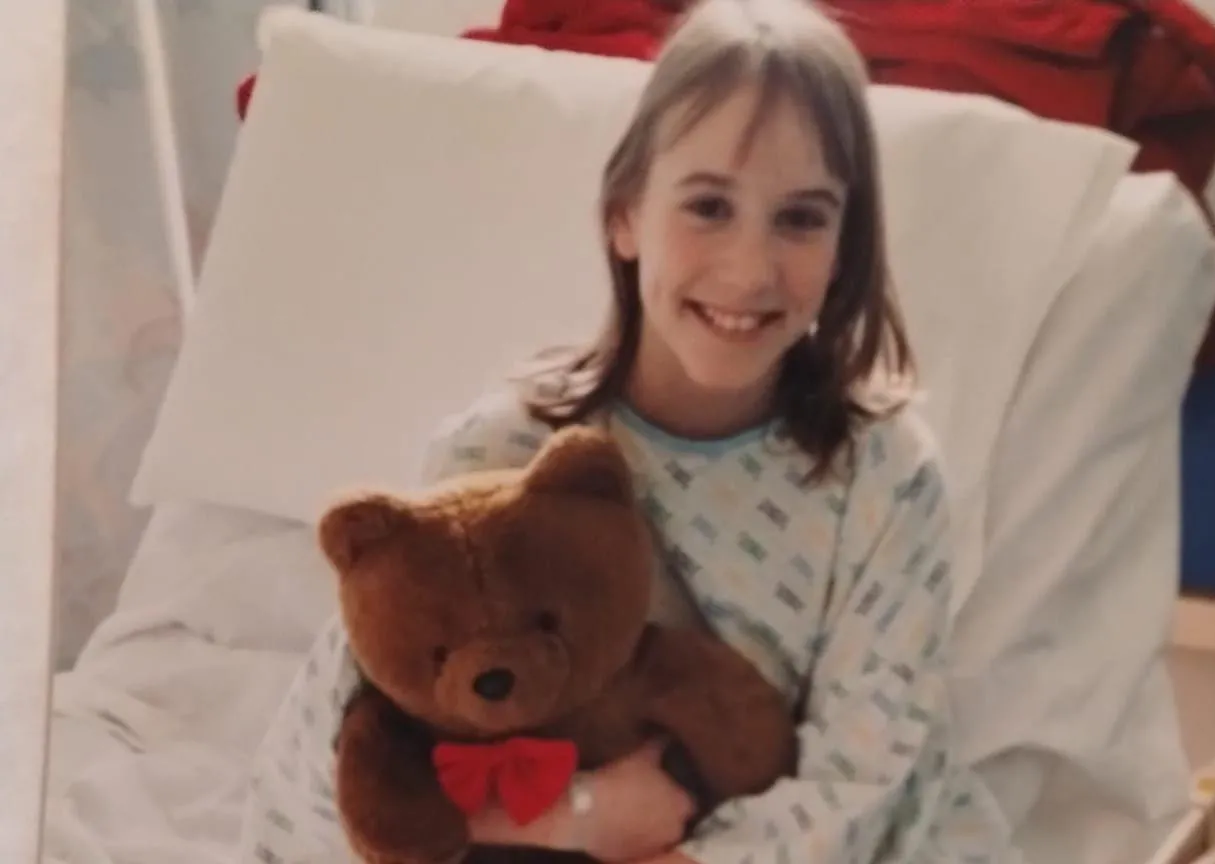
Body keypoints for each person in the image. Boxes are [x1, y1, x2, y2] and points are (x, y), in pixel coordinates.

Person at [235, 0, 1023, 861]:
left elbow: (865, 778)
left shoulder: (885, 475)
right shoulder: (504, 455)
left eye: (801, 218)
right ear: (624, 218)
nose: (750, 269)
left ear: (845, 251)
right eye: (708, 206)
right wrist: (572, 817)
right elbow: (330, 758)